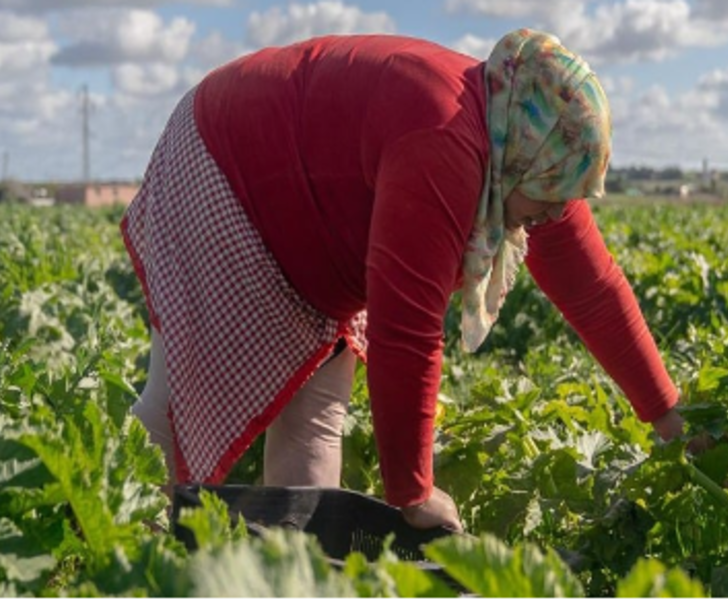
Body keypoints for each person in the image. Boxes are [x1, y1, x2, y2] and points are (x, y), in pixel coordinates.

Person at [121, 29, 687, 533]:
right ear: (525, 162)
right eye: (547, 198)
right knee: (178, 401)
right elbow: (406, 330)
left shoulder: (529, 146)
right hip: (229, 162)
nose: (549, 215)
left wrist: (667, 413)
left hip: (318, 217)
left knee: (316, 416)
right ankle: (115, 533)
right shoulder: (445, 139)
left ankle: (298, 570)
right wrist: (413, 492)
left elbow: (594, 290)